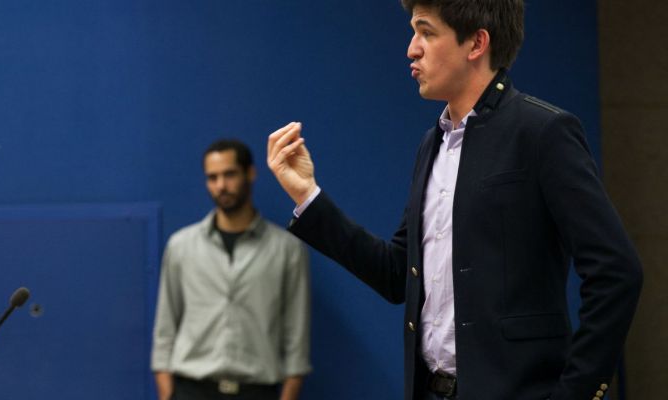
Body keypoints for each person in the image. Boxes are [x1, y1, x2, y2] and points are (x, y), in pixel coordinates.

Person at [265, 1, 642, 399]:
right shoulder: (433, 144)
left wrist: (577, 393)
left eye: (426, 32)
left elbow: (617, 272)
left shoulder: (543, 132)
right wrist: (307, 195)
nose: (412, 48)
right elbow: (398, 276)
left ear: (476, 43)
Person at [151, 139, 311, 400]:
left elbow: (297, 337)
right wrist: (167, 392)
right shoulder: (181, 247)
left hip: (256, 390)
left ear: (250, 173)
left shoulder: (287, 250)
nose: (221, 186)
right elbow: (165, 329)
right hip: (191, 389)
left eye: (229, 174)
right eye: (212, 178)